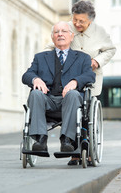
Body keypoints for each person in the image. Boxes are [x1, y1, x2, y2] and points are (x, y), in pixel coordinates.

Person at [45, 0, 116, 165]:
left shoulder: (100, 32)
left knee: (86, 115)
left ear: (90, 20)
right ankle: (74, 152)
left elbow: (111, 49)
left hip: (90, 78)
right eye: (75, 19)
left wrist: (97, 61)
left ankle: (87, 150)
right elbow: (50, 47)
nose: (76, 24)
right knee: (73, 109)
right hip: (68, 79)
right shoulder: (67, 28)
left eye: (81, 21)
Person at [22, 21, 95, 153]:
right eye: (56, 32)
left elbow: (90, 75)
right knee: (35, 93)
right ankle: (40, 140)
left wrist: (75, 81)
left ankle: (67, 140)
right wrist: (35, 79)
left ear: (72, 36)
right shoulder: (40, 57)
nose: (60, 34)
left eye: (64, 31)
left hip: (69, 101)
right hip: (47, 100)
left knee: (73, 94)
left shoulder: (83, 58)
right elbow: (27, 75)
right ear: (52, 37)